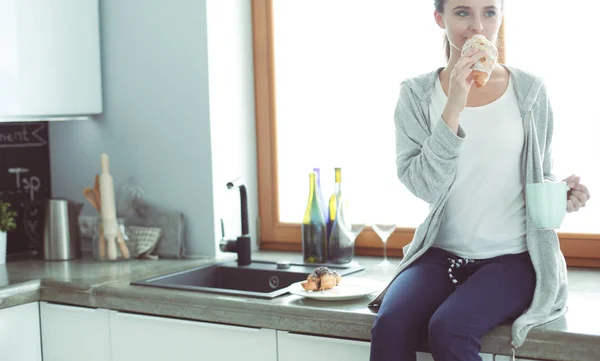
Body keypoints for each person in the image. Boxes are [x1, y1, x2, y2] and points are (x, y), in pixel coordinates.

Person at [368, 0, 591, 360]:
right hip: (440, 255)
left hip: (512, 260)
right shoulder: (416, 94)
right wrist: (454, 103)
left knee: (449, 328)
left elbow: (540, 171)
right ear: (439, 19)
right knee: (390, 323)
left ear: (501, 17)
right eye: (462, 13)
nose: (477, 26)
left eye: (489, 12)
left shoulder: (530, 91)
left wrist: (559, 192)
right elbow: (425, 186)